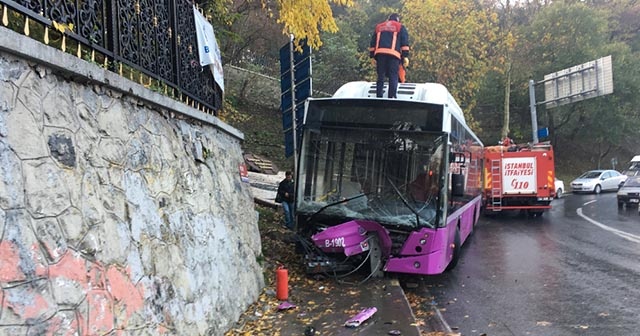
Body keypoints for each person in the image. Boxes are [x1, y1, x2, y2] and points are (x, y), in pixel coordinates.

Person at [369, 13, 410, 98]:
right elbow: (404, 42)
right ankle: (392, 96)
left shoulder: (379, 27)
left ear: (388, 19)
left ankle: (379, 95)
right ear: (397, 19)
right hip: (393, 55)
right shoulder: (400, 26)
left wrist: (372, 56)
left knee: (381, 75)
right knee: (393, 75)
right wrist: (405, 56)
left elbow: (373, 42)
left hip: (380, 54)